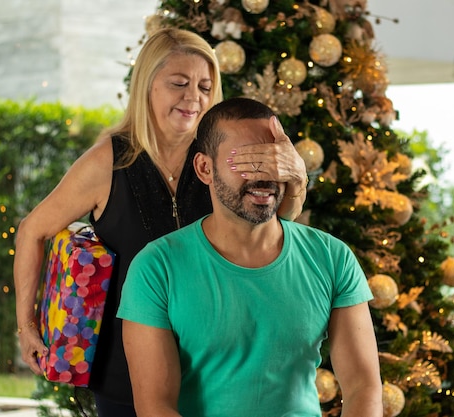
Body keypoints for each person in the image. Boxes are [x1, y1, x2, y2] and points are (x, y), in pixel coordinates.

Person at [13, 28, 308, 417]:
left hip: (214, 364)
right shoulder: (108, 162)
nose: (194, 98)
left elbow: (274, 223)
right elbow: (32, 230)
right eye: (179, 84)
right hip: (124, 371)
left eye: (205, 86)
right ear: (147, 86)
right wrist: (27, 324)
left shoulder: (218, 158)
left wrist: (297, 182)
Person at [117, 97, 383, 417]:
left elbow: (363, 387)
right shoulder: (156, 268)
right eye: (245, 161)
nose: (264, 175)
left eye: (273, 160)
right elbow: (155, 406)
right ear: (205, 168)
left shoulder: (332, 257)